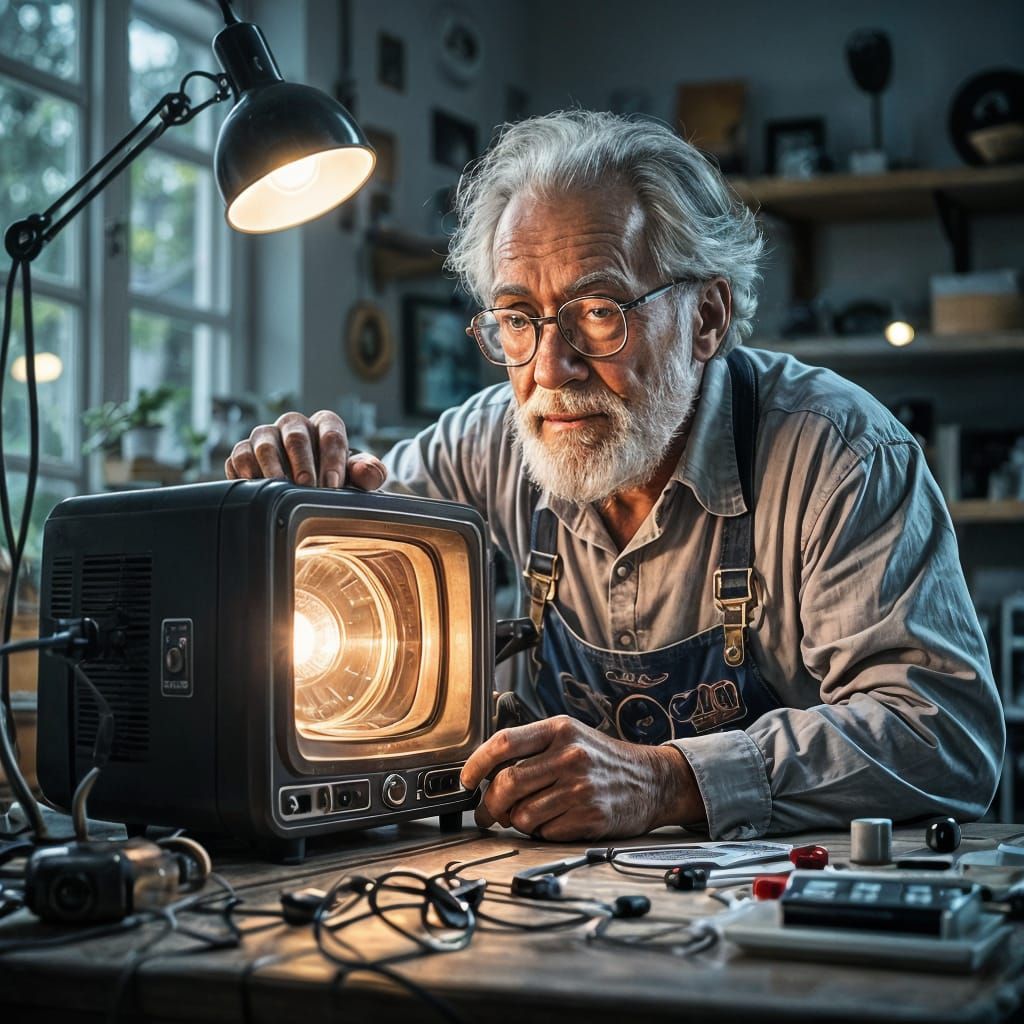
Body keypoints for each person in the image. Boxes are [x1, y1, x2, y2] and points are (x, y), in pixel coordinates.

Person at [226, 110, 1004, 842]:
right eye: (518, 320)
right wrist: (294, 495)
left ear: (705, 320)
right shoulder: (484, 445)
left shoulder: (839, 454)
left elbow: (943, 733)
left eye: (598, 311)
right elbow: (340, 568)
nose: (550, 369)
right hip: (553, 903)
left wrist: (668, 783)